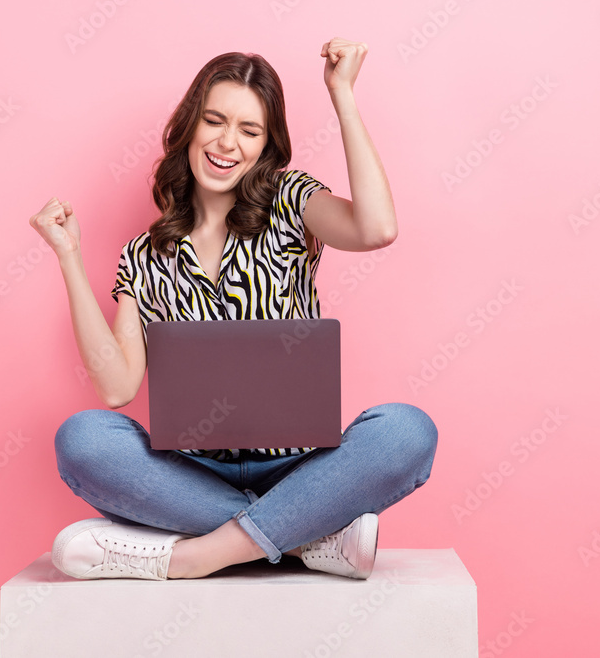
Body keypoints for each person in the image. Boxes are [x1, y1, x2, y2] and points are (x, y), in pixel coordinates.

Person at [28, 37, 437, 582]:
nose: (227, 143)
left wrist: (342, 96)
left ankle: (198, 555)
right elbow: (116, 388)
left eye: (249, 130)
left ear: (267, 145)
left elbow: (376, 228)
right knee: (82, 440)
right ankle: (302, 538)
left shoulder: (288, 201)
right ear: (189, 126)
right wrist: (69, 257)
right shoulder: (145, 255)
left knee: (406, 431)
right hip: (196, 474)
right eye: (214, 121)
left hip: (301, 467)